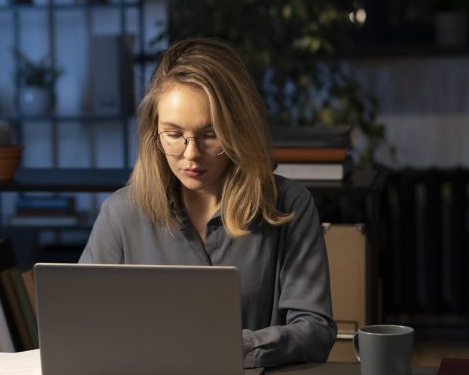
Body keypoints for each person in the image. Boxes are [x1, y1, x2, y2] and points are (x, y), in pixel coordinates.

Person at [79, 38, 337, 368]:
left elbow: (315, 331)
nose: (190, 154)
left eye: (209, 134)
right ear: (153, 133)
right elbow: (83, 328)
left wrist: (231, 347)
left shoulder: (288, 204)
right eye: (173, 134)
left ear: (238, 130)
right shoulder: (121, 213)